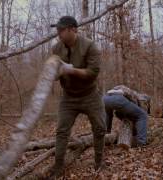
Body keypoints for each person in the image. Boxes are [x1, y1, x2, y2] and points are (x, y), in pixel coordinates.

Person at [50, 16, 106, 177]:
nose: (58, 33)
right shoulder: (56, 49)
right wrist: (51, 73)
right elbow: (53, 73)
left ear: (73, 29)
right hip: (68, 97)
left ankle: (99, 162)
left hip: (90, 95)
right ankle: (58, 167)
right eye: (57, 30)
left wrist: (70, 69)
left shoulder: (90, 46)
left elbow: (93, 73)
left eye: (62, 29)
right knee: (61, 131)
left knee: (100, 128)